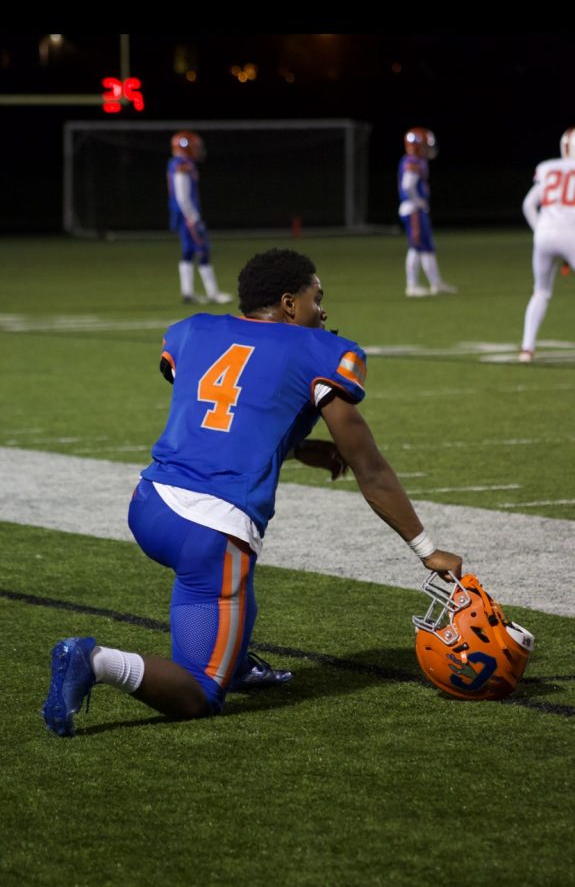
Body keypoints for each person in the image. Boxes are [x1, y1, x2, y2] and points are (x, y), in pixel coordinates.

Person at [42, 248, 463, 737]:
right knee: (199, 693)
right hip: (211, 531)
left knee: (235, 592)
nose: (323, 311)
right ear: (288, 303)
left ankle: (237, 662)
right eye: (316, 298)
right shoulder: (322, 352)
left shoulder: (194, 330)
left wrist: (302, 448)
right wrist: (426, 549)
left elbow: (229, 416)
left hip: (151, 502)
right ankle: (95, 661)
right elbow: (370, 468)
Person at [519, 127, 575, 362]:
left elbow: (528, 204)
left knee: (541, 292)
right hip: (571, 233)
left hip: (543, 234)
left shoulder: (548, 167)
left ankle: (526, 349)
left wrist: (539, 231)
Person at [167, 130, 231, 305]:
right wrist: (192, 217)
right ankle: (213, 293)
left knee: (188, 251)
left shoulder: (176, 162)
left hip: (181, 214)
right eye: (194, 147)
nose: (197, 150)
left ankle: (187, 293)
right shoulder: (182, 164)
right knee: (204, 251)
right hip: (188, 215)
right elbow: (182, 195)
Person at [398, 127, 457, 298]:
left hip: (415, 209)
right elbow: (407, 186)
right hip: (413, 209)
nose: (427, 148)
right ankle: (416, 285)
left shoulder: (414, 160)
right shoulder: (413, 161)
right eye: (424, 145)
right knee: (420, 247)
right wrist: (417, 201)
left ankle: (433, 283)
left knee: (422, 247)